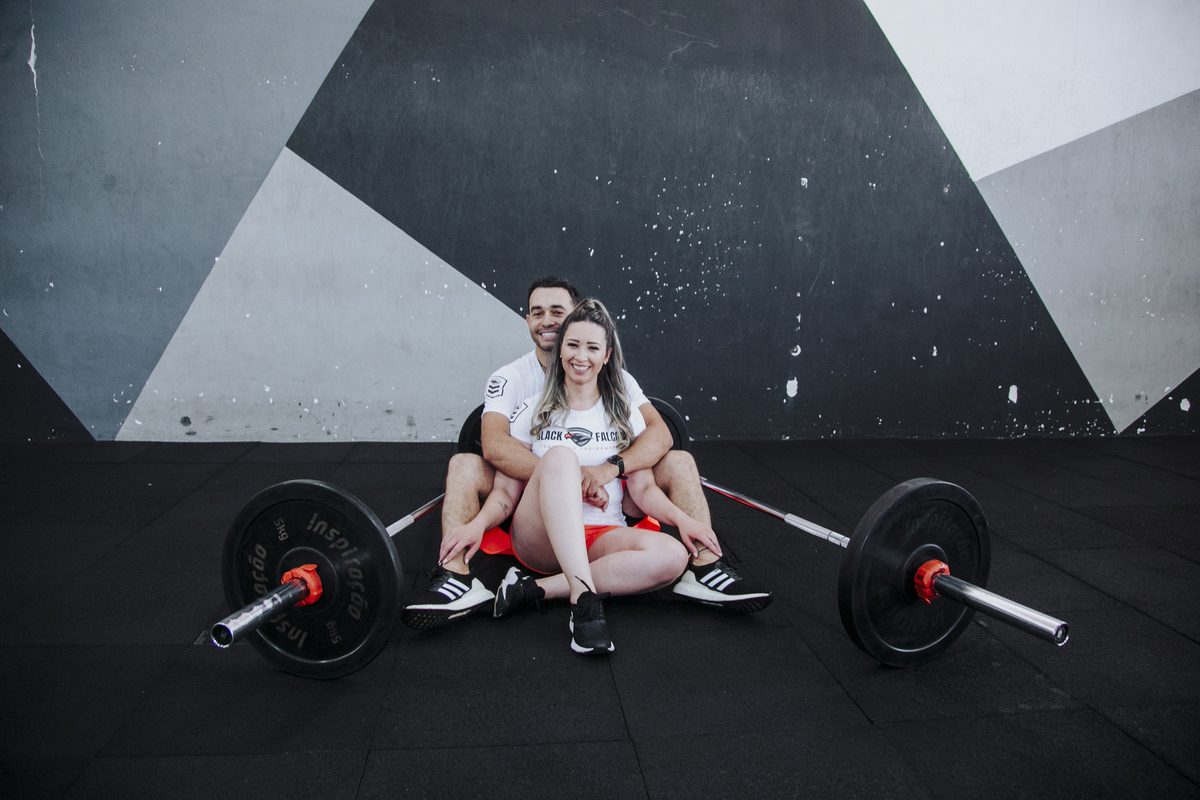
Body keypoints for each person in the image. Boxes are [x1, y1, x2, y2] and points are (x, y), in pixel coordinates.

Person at [400, 277, 771, 631]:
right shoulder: (519, 388)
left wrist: (612, 471)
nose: (548, 321)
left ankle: (703, 566)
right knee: (507, 461)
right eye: (538, 312)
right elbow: (495, 448)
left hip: (604, 521)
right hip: (536, 514)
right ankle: (458, 575)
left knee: (678, 476)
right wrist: (568, 478)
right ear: (539, 327)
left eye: (558, 312)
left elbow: (658, 439)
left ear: (600, 347)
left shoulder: (619, 393)